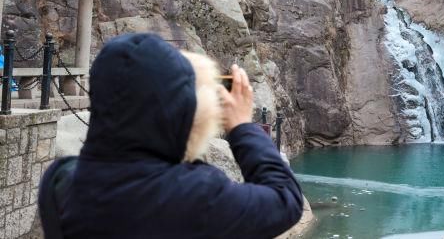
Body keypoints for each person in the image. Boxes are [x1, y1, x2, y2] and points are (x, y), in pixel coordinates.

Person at [38, 33, 303, 238]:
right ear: (177, 108)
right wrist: (242, 126)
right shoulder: (196, 197)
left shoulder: (60, 181)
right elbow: (286, 199)